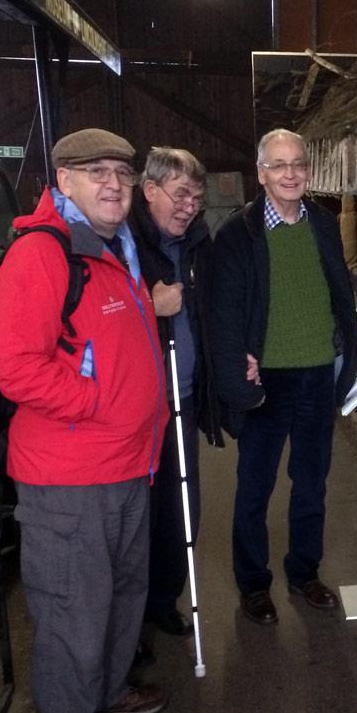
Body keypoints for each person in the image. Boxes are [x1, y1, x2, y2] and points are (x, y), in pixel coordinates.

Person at [0, 128, 168, 713]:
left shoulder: (111, 247)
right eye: (95, 172)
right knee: (73, 609)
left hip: (124, 465)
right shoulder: (43, 254)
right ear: (63, 182)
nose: (113, 183)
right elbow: (12, 366)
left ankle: (107, 693)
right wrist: (94, 402)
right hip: (70, 478)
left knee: (120, 595)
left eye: (121, 170)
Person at [208, 128, 357, 626]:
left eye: (297, 164)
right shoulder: (239, 234)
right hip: (266, 381)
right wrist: (238, 370)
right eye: (278, 165)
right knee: (255, 487)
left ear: (307, 172)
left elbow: (337, 290)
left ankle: (304, 572)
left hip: (317, 374)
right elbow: (224, 314)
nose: (290, 173)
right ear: (261, 173)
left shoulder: (322, 223)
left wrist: (347, 348)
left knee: (311, 482)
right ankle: (254, 584)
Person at [130, 147, 228, 650]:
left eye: (197, 197)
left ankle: (163, 599)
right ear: (150, 191)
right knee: (134, 512)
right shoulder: (124, 240)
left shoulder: (197, 244)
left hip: (183, 398)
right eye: (181, 194)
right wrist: (150, 306)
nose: (191, 205)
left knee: (181, 506)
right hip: (133, 408)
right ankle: (132, 617)